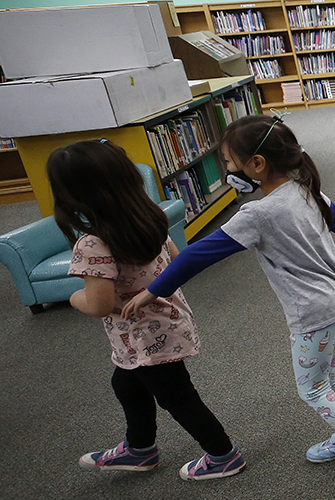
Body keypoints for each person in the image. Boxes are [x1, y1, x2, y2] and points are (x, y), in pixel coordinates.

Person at [122, 114, 335, 490]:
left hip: (312, 313)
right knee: (328, 375)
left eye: (227, 162)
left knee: (313, 389)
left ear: (256, 164)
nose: (225, 169)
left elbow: (197, 255)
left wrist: (153, 290)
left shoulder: (257, 213)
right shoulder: (306, 189)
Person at [52, 139, 244, 481]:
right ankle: (140, 448)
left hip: (142, 337)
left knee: (178, 397)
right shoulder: (149, 216)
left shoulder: (92, 243)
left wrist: (73, 299)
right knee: (125, 384)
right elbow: (173, 259)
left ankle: (222, 454)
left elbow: (97, 304)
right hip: (167, 321)